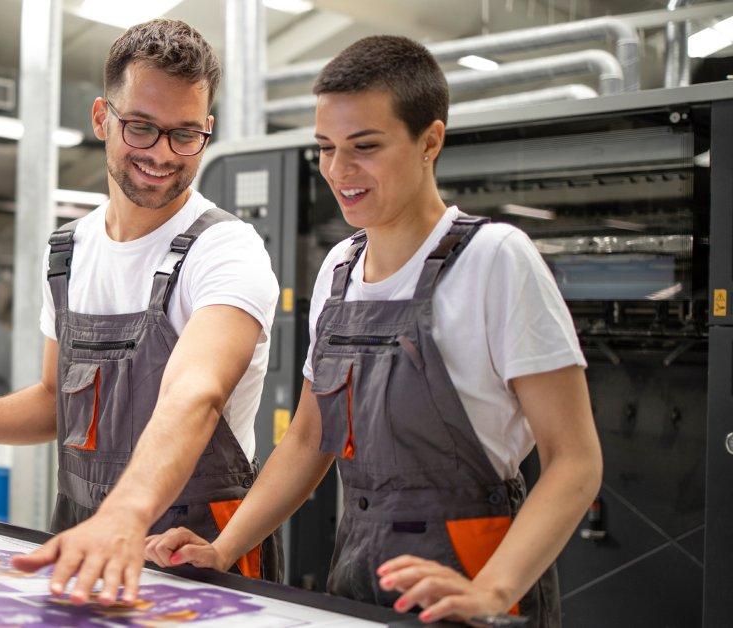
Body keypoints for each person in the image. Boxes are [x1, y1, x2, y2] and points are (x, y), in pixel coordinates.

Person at [142, 35, 602, 627]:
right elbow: (310, 441)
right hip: (357, 577)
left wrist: (491, 590)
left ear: (429, 141)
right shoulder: (339, 270)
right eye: (326, 149)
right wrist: (225, 550)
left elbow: (575, 460)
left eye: (365, 147)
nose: (339, 171)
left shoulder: (495, 259)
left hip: (472, 583)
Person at [0, 18, 283, 605]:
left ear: (207, 130)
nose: (161, 154)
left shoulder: (226, 250)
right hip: (83, 535)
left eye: (185, 135)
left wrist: (125, 516)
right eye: (141, 128)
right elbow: (56, 401)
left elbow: (195, 394)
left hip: (195, 547)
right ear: (102, 118)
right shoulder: (68, 254)